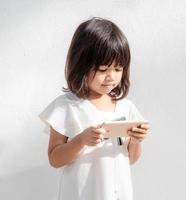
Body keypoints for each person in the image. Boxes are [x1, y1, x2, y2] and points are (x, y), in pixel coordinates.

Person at [38, 17, 150, 200]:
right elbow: (54, 159)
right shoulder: (67, 106)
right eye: (103, 69)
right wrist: (81, 140)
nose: (111, 77)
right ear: (82, 65)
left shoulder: (126, 107)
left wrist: (137, 141)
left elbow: (130, 159)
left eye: (118, 69)